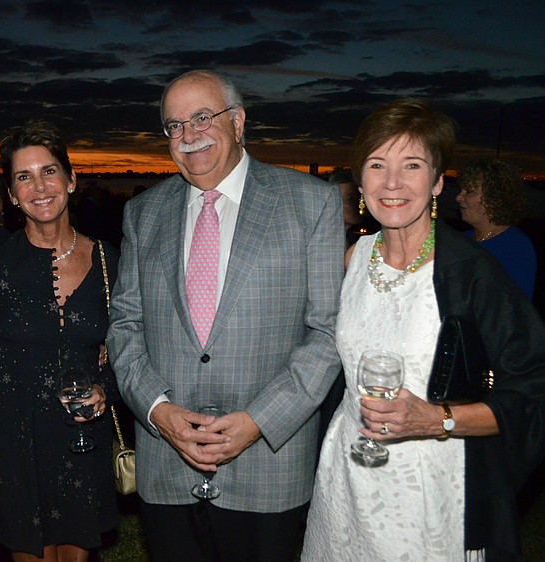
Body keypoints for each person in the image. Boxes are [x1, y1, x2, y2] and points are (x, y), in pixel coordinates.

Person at [107, 70, 344, 562]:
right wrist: (157, 412)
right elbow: (125, 325)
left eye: (201, 118)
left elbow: (327, 334)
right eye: (174, 125)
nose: (188, 135)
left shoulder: (309, 202)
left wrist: (258, 421)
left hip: (268, 466)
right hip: (168, 464)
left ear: (237, 122)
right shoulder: (143, 214)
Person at [303, 99, 545, 560]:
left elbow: (535, 388)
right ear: (361, 182)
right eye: (377, 165)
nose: (392, 183)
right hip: (346, 480)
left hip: (430, 489)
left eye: (411, 165)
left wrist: (439, 419)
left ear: (436, 182)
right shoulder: (351, 260)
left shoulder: (472, 273)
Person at [0, 120, 119, 562]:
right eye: (24, 176)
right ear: (13, 194)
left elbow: (131, 344)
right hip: (15, 438)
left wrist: (105, 389)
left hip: (81, 436)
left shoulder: (108, 259)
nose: (39, 186)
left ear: (72, 180)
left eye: (49, 171)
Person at [456, 158, 537, 299]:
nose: (458, 197)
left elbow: (513, 309)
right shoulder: (459, 240)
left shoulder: (515, 246)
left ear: (493, 197)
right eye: (461, 190)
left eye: (469, 191)